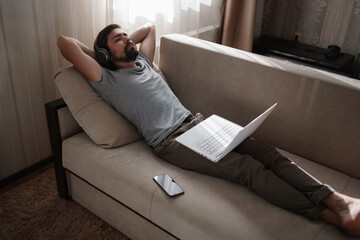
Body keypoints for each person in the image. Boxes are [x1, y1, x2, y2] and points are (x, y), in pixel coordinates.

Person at [57, 23, 360, 236]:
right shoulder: (105, 79)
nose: (128, 40)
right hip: (171, 142)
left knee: (267, 152)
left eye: (126, 35)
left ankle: (336, 199)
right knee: (248, 170)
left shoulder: (144, 63)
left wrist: (124, 40)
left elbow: (149, 28)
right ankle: (328, 216)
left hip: (199, 122)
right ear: (104, 55)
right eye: (118, 39)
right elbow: (65, 43)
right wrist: (101, 54)